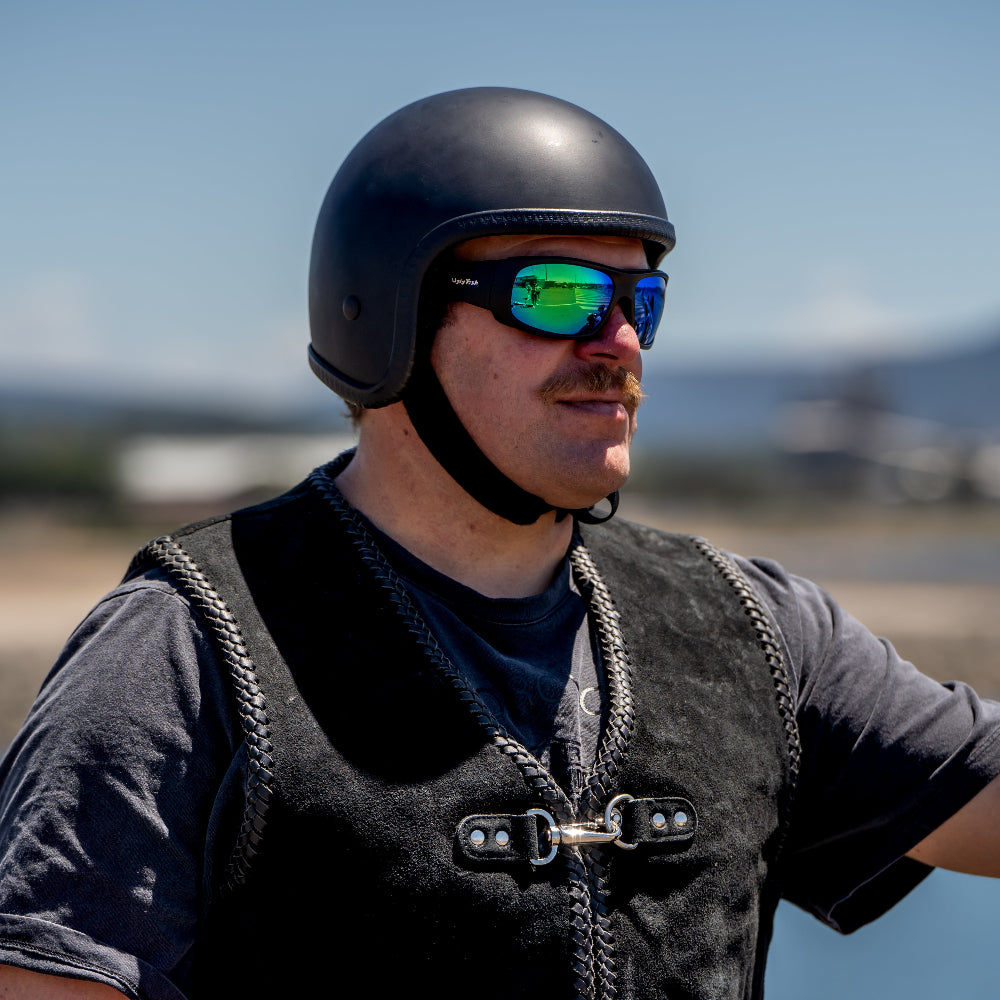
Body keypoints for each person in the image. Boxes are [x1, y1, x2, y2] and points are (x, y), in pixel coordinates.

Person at [1, 87, 999, 1000]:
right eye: (556, 295)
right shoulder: (183, 648)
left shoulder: (753, 631)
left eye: (638, 301)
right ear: (388, 315)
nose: (617, 342)